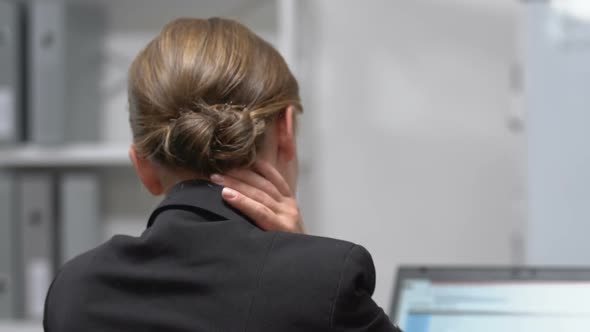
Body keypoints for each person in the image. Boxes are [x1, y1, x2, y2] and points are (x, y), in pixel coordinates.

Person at [43, 17, 400, 332]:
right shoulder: (324, 282)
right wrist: (303, 255)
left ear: (143, 167)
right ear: (287, 133)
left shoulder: (74, 291)